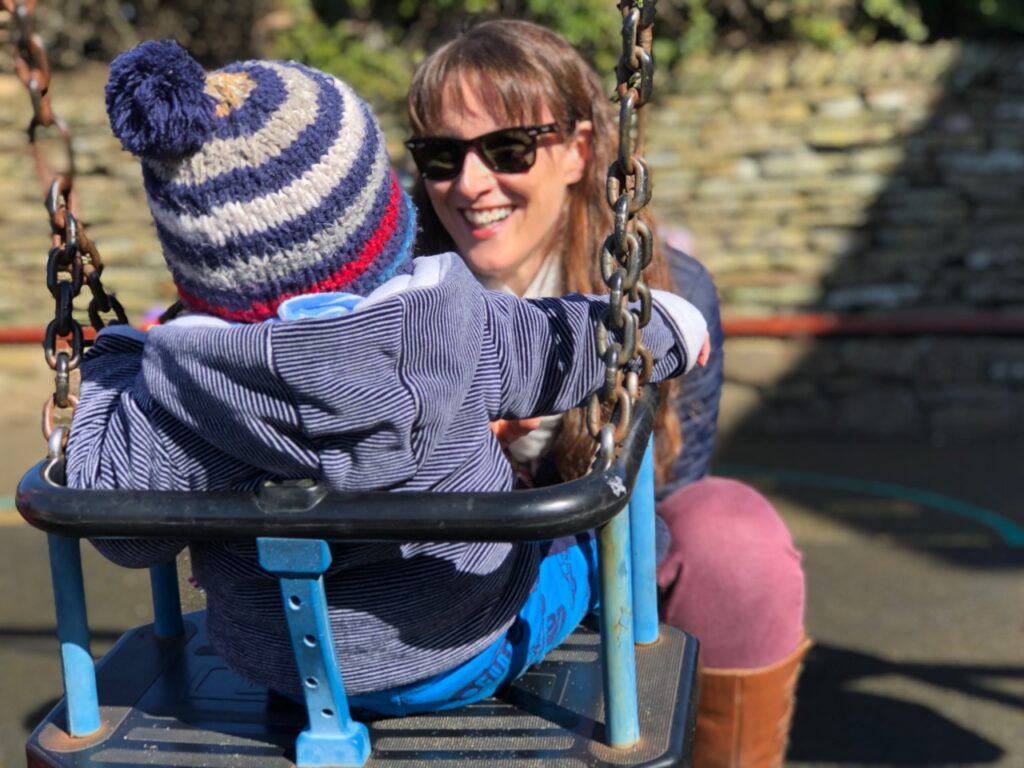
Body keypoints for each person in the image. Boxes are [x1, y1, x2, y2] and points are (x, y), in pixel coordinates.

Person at [67, 39, 710, 716]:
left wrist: (116, 361)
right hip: (468, 647)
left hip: (276, 664)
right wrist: (665, 323)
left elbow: (124, 531)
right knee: (583, 545)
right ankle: (610, 566)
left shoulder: (176, 397)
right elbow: (571, 340)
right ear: (384, 221)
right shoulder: (456, 322)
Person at [405, 18, 809, 767]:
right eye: (440, 156)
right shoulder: (390, 294)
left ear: (579, 150)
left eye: (507, 148)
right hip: (426, 585)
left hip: (596, 563)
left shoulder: (663, 296)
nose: (469, 184)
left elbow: (671, 488)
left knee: (732, 538)